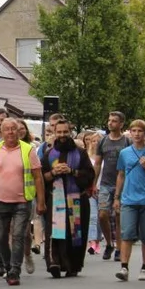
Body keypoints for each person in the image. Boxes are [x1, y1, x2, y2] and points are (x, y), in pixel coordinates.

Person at [0, 118, 45, 286]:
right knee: (0, 238)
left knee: (18, 236)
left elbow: (37, 177)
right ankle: (7, 265)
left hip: (22, 200)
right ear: (1, 132)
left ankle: (14, 270)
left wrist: (40, 201)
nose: (11, 132)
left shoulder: (28, 150)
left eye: (14, 129)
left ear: (19, 131)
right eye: (7, 129)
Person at [39, 118, 94, 278]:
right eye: (59, 132)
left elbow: (89, 175)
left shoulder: (80, 153)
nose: (62, 135)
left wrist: (72, 171)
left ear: (70, 132)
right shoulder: (49, 154)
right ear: (55, 133)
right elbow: (41, 177)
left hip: (76, 198)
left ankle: (73, 265)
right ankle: (55, 263)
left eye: (65, 132)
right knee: (55, 233)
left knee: (75, 235)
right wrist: (53, 173)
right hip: (56, 199)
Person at [114, 119, 145, 281]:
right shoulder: (125, 153)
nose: (136, 134)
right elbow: (121, 175)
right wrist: (117, 197)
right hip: (128, 199)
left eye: (140, 131)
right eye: (134, 131)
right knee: (126, 234)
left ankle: (144, 267)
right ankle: (124, 267)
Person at [93, 112, 132, 263]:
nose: (110, 123)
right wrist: (94, 182)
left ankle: (118, 247)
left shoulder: (126, 141)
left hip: (122, 184)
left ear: (121, 124)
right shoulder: (103, 141)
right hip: (105, 183)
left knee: (118, 216)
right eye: (109, 120)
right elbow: (97, 163)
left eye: (114, 121)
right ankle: (109, 243)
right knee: (102, 215)